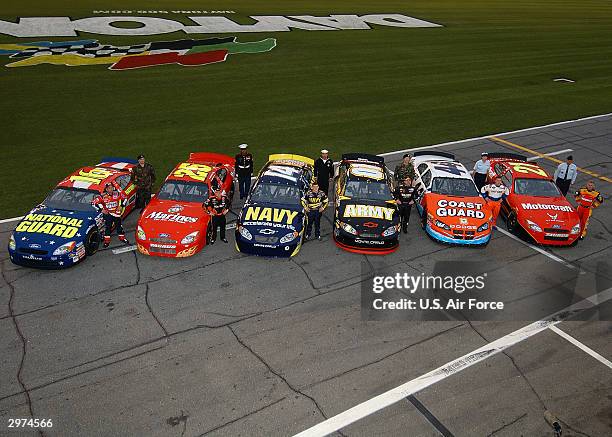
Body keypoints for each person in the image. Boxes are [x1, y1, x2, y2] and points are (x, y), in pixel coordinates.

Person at [92, 182, 129, 248]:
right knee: (108, 227)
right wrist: (101, 210)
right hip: (108, 214)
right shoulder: (102, 196)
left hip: (116, 214)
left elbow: (125, 198)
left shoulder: (117, 193)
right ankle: (107, 241)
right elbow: (93, 203)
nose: (111, 189)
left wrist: (121, 206)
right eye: (109, 188)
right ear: (106, 189)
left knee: (119, 226)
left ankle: (122, 238)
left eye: (112, 188)